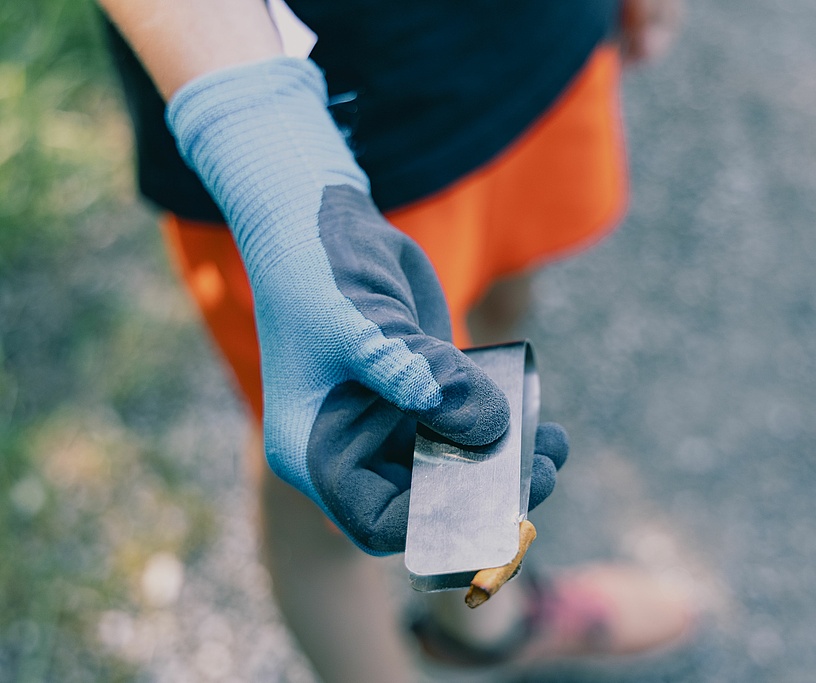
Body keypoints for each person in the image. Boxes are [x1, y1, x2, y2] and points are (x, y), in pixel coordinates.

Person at [98, 0, 696, 680]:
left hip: (536, 44)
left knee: (496, 323)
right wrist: (270, 161)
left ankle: (485, 621)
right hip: (305, 123)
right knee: (346, 461)